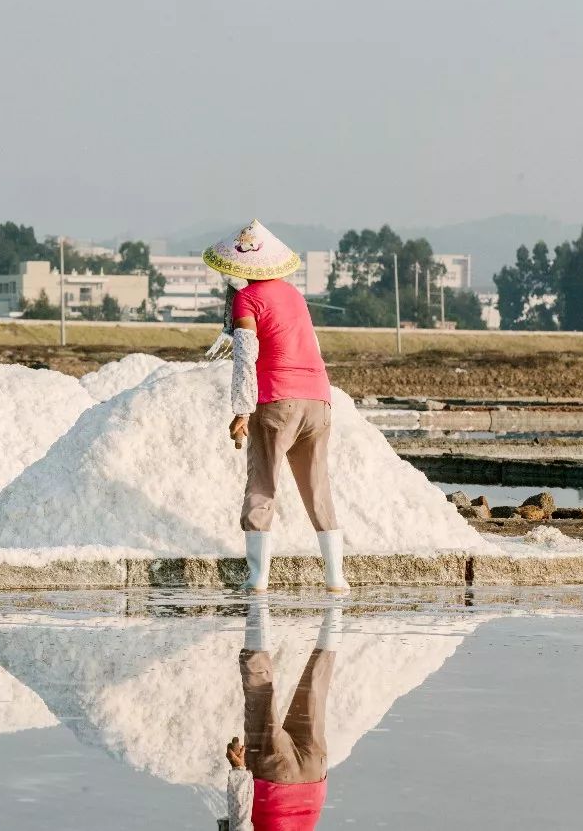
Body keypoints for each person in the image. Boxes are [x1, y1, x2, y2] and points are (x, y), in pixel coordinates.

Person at [203, 220, 348, 593]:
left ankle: (258, 577)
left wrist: (240, 411)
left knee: (262, 486)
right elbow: (310, 345)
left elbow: (245, 357)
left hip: (276, 402)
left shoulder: (245, 299)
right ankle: (335, 577)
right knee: (318, 487)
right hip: (318, 399)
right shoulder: (293, 295)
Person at [223, 603, 341, 831]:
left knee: (316, 685)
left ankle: (336, 600)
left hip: (314, 780)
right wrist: (238, 772)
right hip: (274, 785)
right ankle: (258, 594)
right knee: (259, 694)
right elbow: (240, 822)